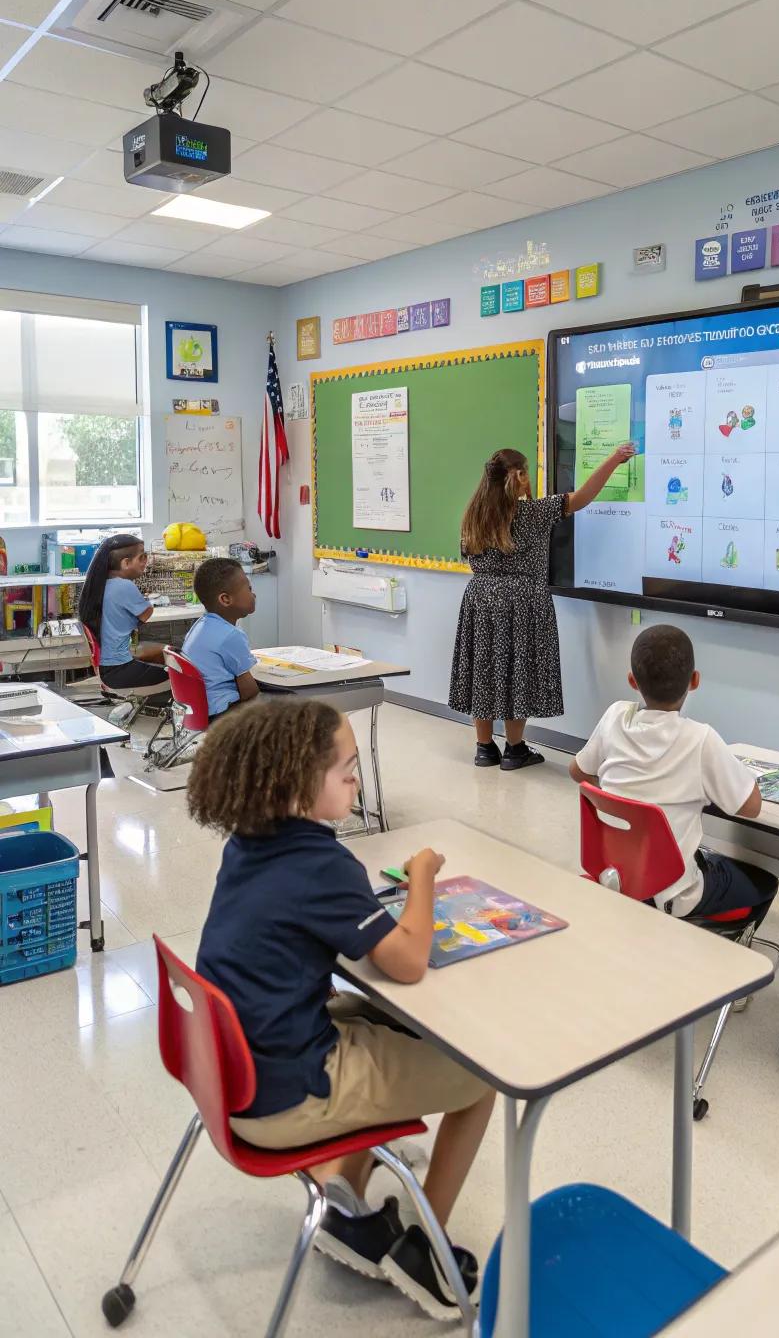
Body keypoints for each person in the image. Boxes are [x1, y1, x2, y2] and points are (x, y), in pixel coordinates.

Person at [191, 700, 495, 1319]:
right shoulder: (324, 866)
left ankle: (344, 1202)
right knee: (481, 1078)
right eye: (347, 771)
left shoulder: (247, 842)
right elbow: (408, 959)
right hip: (281, 1097)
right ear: (297, 784)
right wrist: (421, 879)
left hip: (228, 1069)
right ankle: (428, 1254)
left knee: (379, 1018)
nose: (358, 782)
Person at [570, 624, 778, 925]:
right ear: (695, 681)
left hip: (615, 877)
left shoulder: (615, 716)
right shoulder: (700, 739)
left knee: (707, 858)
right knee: (765, 882)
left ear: (632, 681)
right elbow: (751, 806)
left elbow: (578, 772)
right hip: (674, 895)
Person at [450, 442, 636, 771]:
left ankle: (484, 748)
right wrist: (613, 460)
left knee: (486, 670)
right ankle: (515, 748)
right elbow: (582, 498)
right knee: (517, 670)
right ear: (519, 476)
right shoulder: (534, 513)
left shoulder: (472, 516)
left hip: (480, 598)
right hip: (523, 600)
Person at [78, 533, 170, 695]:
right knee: (182, 672)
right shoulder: (124, 586)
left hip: (109, 667)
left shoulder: (101, 585)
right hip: (120, 670)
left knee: (163, 654)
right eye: (142, 558)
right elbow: (146, 614)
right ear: (126, 563)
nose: (145, 562)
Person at [181, 557, 258, 718]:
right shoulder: (231, 636)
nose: (254, 595)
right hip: (223, 714)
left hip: (201, 711)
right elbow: (249, 691)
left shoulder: (200, 625)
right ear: (225, 599)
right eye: (249, 589)